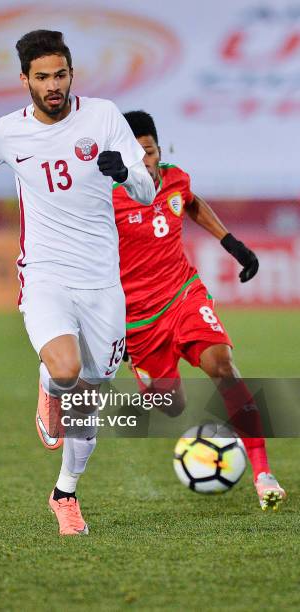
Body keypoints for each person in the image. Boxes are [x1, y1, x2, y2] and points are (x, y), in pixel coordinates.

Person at [0, 32, 155, 535]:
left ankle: (65, 493)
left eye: (60, 75)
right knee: (66, 371)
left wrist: (124, 172)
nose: (53, 86)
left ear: (72, 73)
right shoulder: (7, 132)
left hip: (102, 281)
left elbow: (147, 191)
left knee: (93, 392)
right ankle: (50, 385)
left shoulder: (105, 116)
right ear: (25, 80)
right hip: (45, 273)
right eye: (42, 77)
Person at [112, 110, 285, 510]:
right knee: (169, 405)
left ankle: (262, 473)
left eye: (151, 152)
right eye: (136, 155)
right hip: (137, 318)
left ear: (159, 149)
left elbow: (189, 201)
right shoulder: (107, 194)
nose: (146, 162)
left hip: (182, 294)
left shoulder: (174, 177)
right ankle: (136, 373)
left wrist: (231, 242)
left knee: (221, 364)